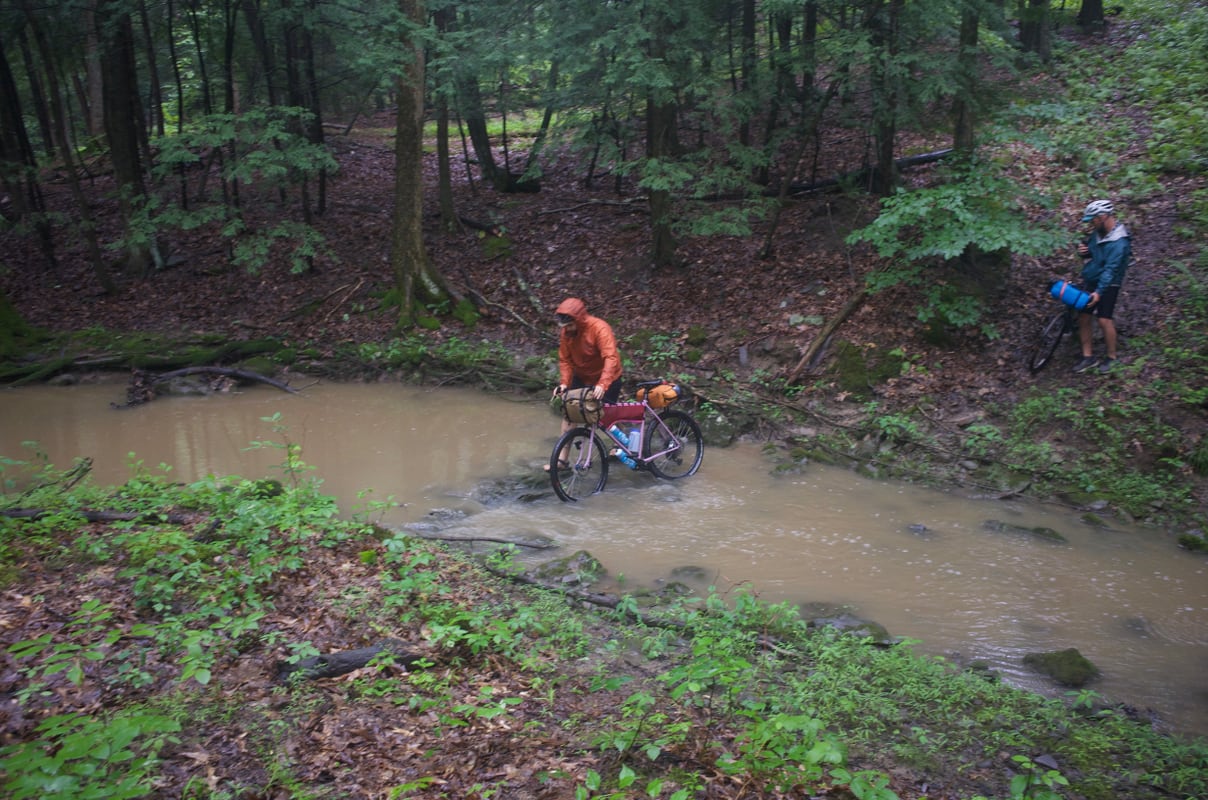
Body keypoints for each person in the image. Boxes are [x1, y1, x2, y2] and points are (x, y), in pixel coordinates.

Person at [546, 297, 623, 470]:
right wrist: (565, 383)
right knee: (570, 410)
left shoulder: (599, 328)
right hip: (582, 375)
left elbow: (610, 357)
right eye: (564, 327)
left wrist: (602, 384)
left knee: (606, 415)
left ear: (579, 320)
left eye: (570, 326)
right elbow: (565, 359)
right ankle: (562, 461)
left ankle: (621, 443)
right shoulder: (567, 332)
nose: (567, 330)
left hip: (607, 376)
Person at [1073, 199, 1131, 374]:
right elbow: (1095, 253)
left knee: (1104, 319)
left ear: (1104, 216)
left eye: (1094, 219)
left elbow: (1111, 269)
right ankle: (1087, 357)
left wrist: (1099, 292)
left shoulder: (1120, 242)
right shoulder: (1098, 233)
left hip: (1109, 282)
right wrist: (1085, 252)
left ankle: (1112, 357)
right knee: (1083, 315)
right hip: (1093, 277)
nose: (1091, 222)